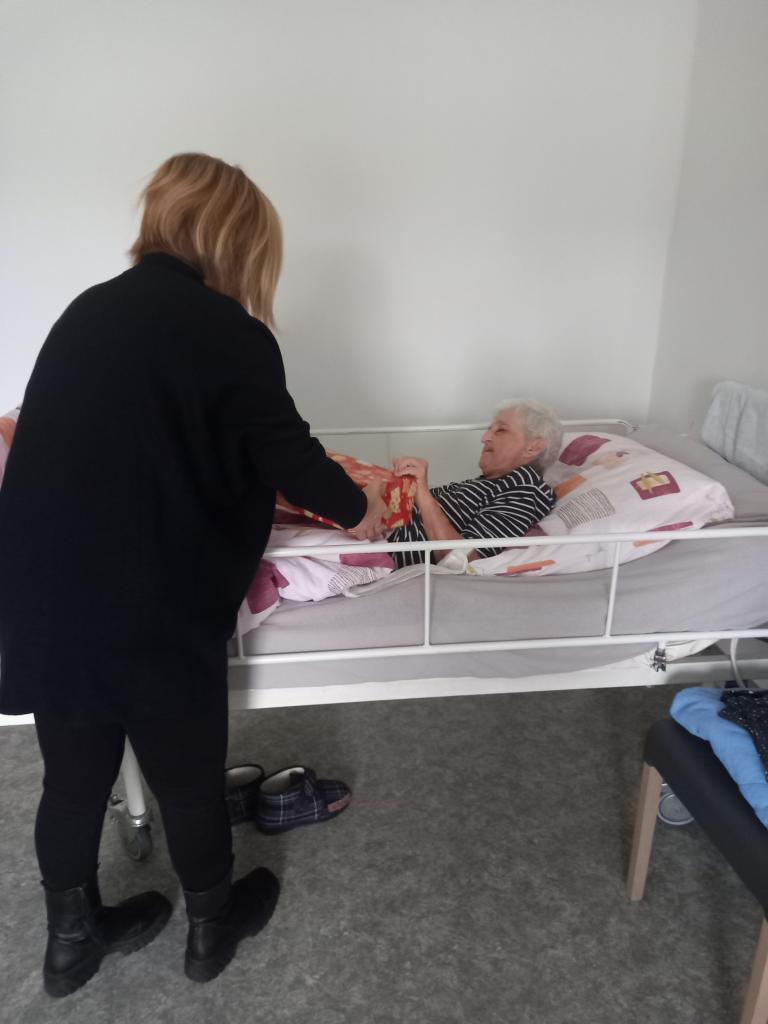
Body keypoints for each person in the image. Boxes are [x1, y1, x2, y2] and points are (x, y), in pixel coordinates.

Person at [0, 153, 388, 995]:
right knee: (185, 778)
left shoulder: (85, 312)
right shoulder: (228, 331)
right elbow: (289, 456)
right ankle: (212, 928)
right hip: (151, 603)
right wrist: (360, 510)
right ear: (235, 240)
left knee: (71, 783)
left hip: (45, 593)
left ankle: (70, 945)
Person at [388, 400, 561, 566]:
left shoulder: (526, 487)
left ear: (533, 447)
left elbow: (461, 561)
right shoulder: (484, 484)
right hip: (383, 530)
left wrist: (423, 494)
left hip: (389, 547)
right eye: (489, 430)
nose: (484, 438)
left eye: (501, 430)